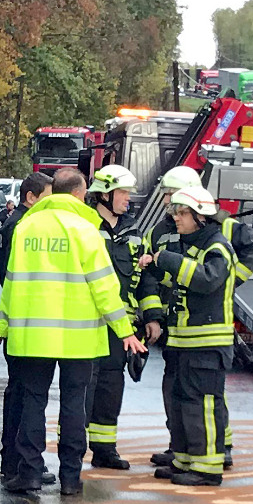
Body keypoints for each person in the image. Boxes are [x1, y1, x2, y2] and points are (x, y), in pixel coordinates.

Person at [0, 168, 143, 496]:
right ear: (78, 194)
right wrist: (124, 331)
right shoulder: (87, 229)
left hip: (32, 336)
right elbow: (105, 287)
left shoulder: (25, 227)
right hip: (79, 338)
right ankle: (71, 479)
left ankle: (30, 472)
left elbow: (12, 281)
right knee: (74, 403)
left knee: (34, 402)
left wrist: (3, 325)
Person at [150, 164, 253, 468]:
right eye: (168, 200)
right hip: (179, 327)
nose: (169, 207)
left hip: (204, 329)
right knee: (180, 393)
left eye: (174, 200)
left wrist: (230, 282)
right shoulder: (163, 231)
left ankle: (216, 450)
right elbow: (163, 278)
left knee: (205, 397)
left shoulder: (220, 231)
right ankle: (183, 449)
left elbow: (214, 273)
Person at [140, 186, 237, 487]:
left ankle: (208, 468)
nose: (176, 218)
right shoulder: (192, 246)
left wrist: (166, 259)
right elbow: (179, 280)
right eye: (175, 212)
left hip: (207, 344)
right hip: (184, 342)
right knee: (182, 403)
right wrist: (154, 266)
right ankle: (184, 460)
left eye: (181, 213)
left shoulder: (217, 248)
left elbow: (206, 280)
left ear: (200, 216)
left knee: (203, 405)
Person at [82, 164, 143, 470]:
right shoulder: (86, 226)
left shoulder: (132, 232)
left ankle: (105, 449)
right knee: (84, 387)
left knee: (110, 386)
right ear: (103, 195)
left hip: (121, 326)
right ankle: (74, 450)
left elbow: (143, 279)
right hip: (88, 323)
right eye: (122, 192)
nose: (127, 199)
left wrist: (152, 316)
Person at [0, 172, 51, 282]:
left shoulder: (14, 220)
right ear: (31, 197)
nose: (51, 204)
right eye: (47, 199)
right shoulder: (21, 224)